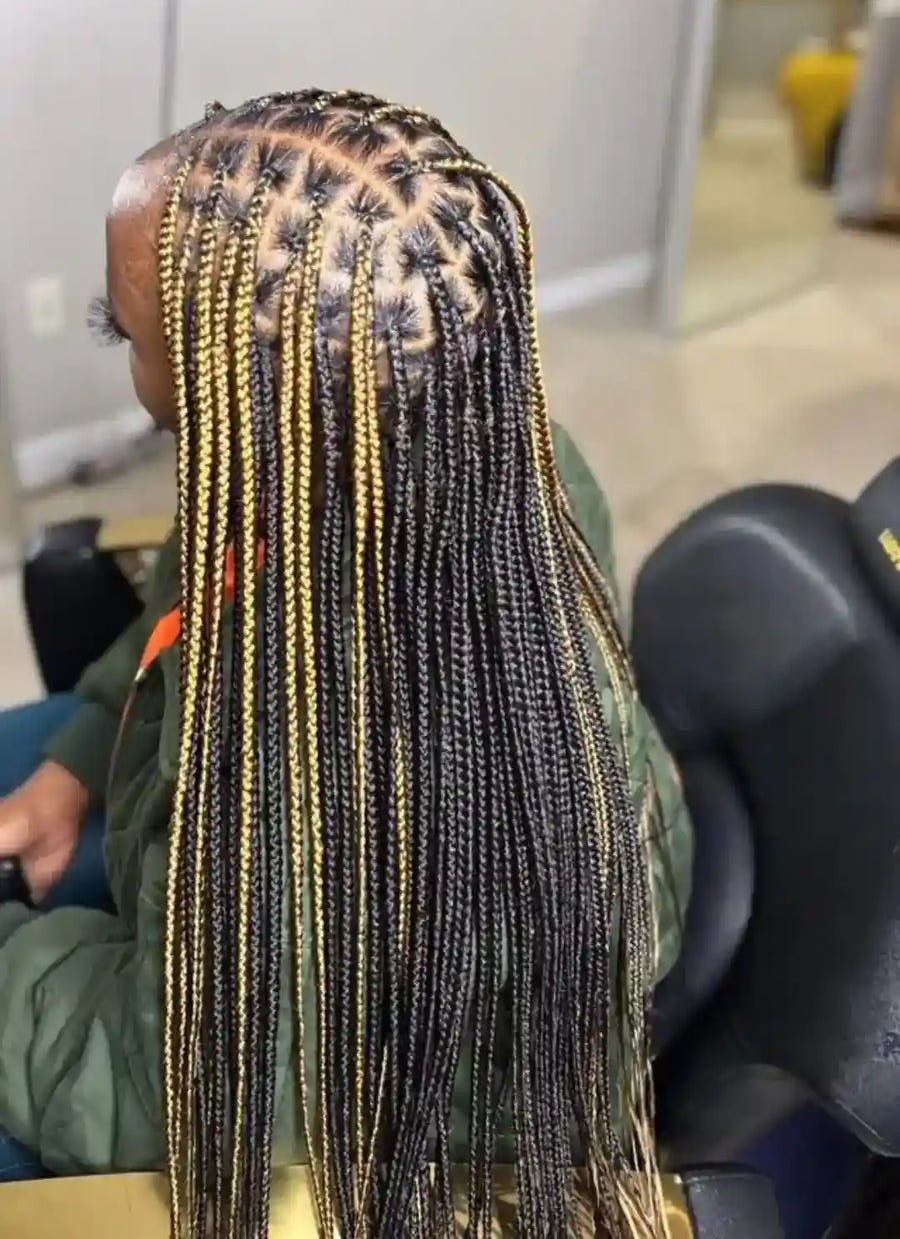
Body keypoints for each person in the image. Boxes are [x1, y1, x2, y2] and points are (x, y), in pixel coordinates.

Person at [0, 90, 692, 1236]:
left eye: (127, 338)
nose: (130, 372)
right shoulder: (447, 441)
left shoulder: (328, 775)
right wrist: (80, 758)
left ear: (249, 396)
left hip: (284, 1091)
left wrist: (16, 956)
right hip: (228, 902)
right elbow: (202, 584)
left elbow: (158, 1096)